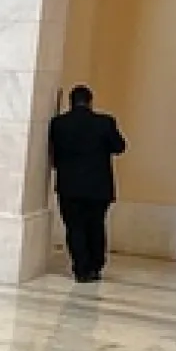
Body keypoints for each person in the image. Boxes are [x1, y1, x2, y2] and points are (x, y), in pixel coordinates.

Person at [47, 85, 127, 283]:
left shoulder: (58, 124)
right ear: (90, 101)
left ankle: (81, 268)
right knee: (96, 225)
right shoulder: (105, 122)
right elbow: (120, 147)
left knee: (74, 227)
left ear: (70, 102)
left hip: (69, 185)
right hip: (98, 186)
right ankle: (95, 265)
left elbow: (54, 155)